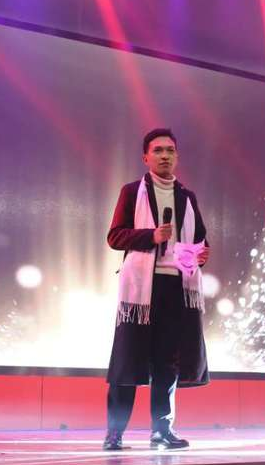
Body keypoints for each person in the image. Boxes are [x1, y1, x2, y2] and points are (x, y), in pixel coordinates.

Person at [103, 128, 210, 451]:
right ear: (146, 157)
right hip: (140, 292)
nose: (165, 155)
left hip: (176, 286)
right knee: (127, 361)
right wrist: (151, 236)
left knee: (167, 364)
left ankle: (161, 432)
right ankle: (114, 434)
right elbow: (115, 237)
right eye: (158, 150)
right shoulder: (131, 191)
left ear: (177, 156)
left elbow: (200, 239)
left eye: (170, 150)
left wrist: (202, 254)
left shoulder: (187, 197)